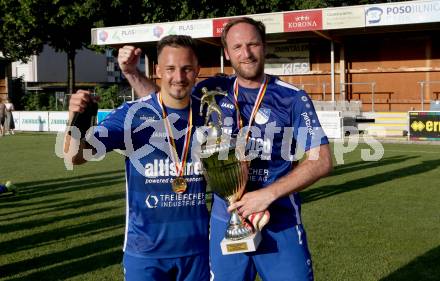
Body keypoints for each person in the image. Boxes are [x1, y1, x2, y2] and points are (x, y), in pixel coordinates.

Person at [118, 17, 332, 281]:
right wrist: (132, 73)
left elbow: (321, 160)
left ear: (264, 47)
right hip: (225, 220)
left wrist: (267, 195)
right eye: (238, 46)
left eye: (253, 44)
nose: (247, 53)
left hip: (279, 220)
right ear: (227, 53)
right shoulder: (211, 92)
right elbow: (166, 102)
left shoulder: (292, 97)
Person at [64, 35, 209, 281]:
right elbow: (76, 156)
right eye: (171, 68)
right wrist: (76, 118)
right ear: (157, 70)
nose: (179, 77)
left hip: (198, 251)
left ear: (197, 70)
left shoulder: (209, 113)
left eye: (186, 69)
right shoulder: (132, 114)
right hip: (145, 252)